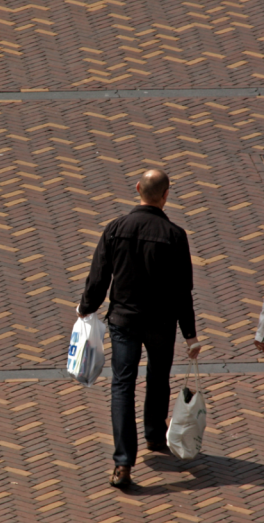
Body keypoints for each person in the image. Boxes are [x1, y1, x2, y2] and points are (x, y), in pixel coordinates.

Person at [77, 169, 200, 488]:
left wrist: (86, 308)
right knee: (158, 379)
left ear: (137, 189)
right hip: (161, 322)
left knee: (122, 386)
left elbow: (99, 276)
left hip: (124, 321)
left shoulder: (116, 228)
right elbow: (181, 291)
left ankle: (122, 463)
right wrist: (190, 334)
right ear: (166, 194)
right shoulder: (175, 235)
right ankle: (155, 436)